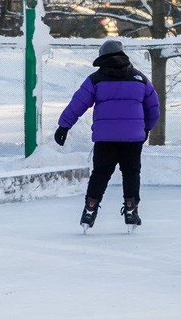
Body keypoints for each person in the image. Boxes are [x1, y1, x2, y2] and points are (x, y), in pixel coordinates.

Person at [54, 40, 160, 233]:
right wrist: (146, 129)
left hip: (105, 138)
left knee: (100, 173)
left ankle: (90, 209)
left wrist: (64, 126)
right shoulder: (140, 79)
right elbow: (153, 108)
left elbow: (78, 103)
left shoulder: (96, 79)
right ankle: (131, 209)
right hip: (132, 139)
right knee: (131, 172)